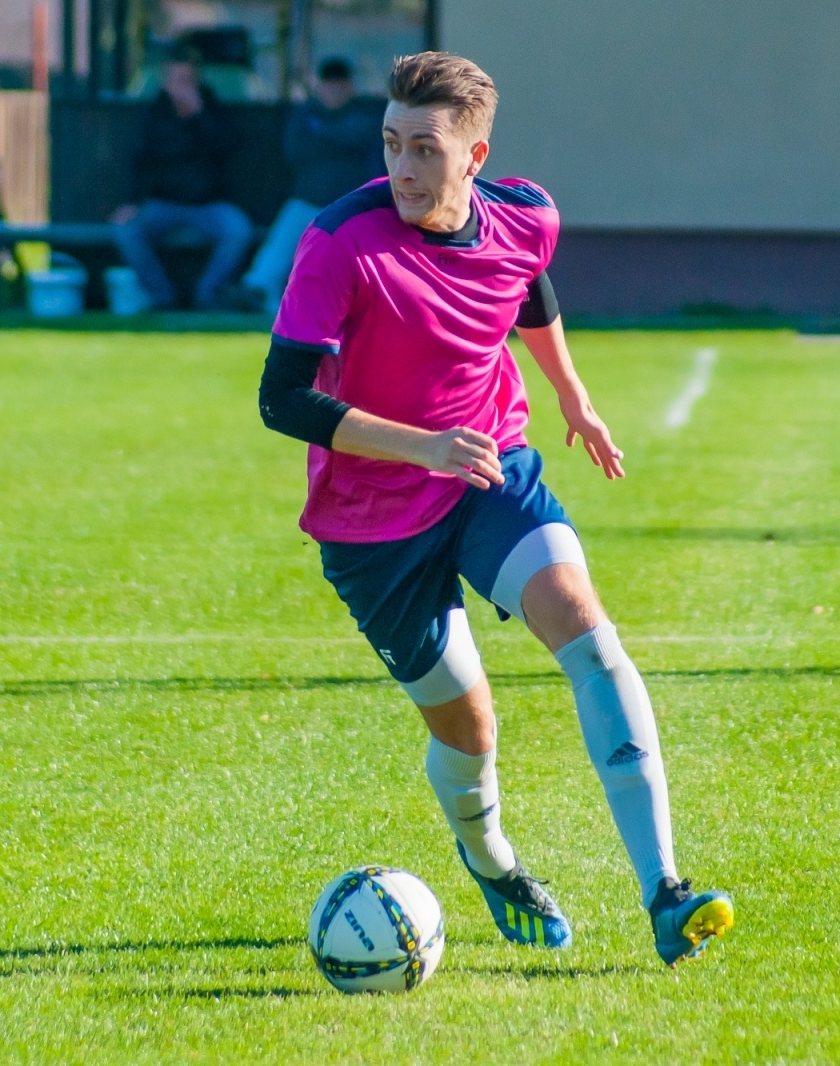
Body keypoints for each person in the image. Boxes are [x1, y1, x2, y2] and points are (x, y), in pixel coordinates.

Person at [257, 53, 734, 965]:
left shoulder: (525, 214)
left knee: (587, 629)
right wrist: (421, 444)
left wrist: (573, 396)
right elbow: (282, 401)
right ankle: (492, 860)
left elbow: (529, 286)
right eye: (392, 144)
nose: (402, 167)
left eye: (425, 149)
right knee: (469, 728)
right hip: (372, 524)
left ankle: (665, 892)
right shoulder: (338, 242)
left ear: (475, 158)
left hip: (488, 470)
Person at [110, 46, 253, 311]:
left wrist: (200, 115)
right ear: (165, 83)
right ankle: (163, 298)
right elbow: (137, 161)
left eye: (187, 81)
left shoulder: (212, 109)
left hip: (207, 205)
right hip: (162, 204)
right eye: (177, 81)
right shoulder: (153, 116)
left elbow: (229, 147)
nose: (182, 88)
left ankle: (206, 295)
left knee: (239, 229)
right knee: (125, 230)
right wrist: (130, 202)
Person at [239, 58, 383, 313]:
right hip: (309, 205)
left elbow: (360, 137)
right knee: (293, 220)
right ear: (319, 87)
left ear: (350, 87)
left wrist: (324, 134)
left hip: (351, 209)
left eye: (340, 85)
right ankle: (260, 288)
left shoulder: (366, 114)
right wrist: (340, 140)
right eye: (329, 85)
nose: (334, 91)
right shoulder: (305, 114)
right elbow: (296, 150)